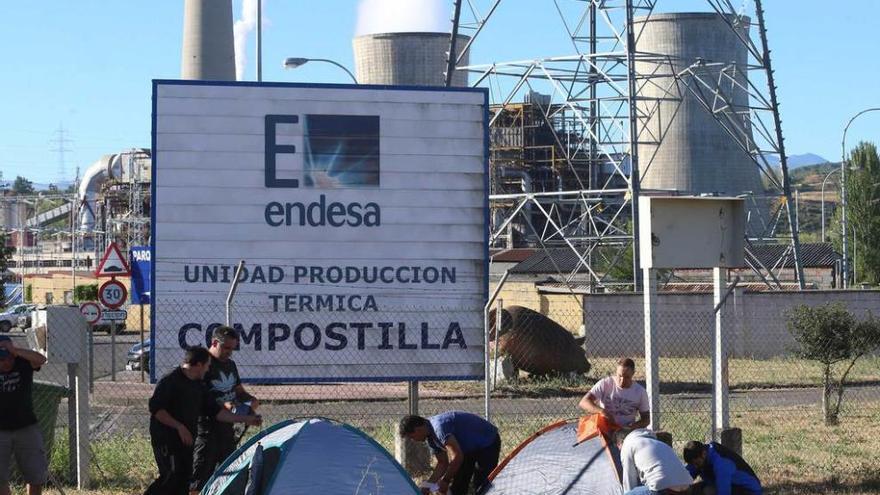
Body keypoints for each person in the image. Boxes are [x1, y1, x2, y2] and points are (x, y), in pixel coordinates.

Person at [145, 346, 261, 495]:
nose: (207, 370)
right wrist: (179, 427)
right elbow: (157, 410)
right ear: (198, 365)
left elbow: (217, 412)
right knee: (172, 476)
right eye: (206, 366)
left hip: (186, 440)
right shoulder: (171, 380)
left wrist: (245, 419)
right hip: (167, 439)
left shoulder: (198, 385)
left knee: (184, 479)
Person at [191, 326, 259, 492]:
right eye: (226, 348)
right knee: (200, 474)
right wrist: (224, 406)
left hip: (227, 428)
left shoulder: (230, 365)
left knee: (230, 470)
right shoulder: (203, 364)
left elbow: (239, 392)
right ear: (214, 342)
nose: (230, 352)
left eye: (233, 348)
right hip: (207, 428)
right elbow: (199, 397)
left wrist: (251, 401)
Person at [399, 412, 501, 495]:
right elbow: (442, 463)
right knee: (458, 484)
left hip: (487, 441)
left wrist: (445, 480)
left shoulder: (439, 429)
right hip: (468, 448)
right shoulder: (430, 438)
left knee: (482, 484)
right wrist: (428, 485)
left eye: (412, 437)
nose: (414, 440)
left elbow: (457, 456)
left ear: (418, 429)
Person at [0, 335, 48, 495]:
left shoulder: (23, 362)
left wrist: (15, 350)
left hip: (26, 427)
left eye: (8, 358)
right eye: (1, 359)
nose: (5, 363)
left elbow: (41, 359)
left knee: (35, 476)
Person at [615, 428, 693, 495]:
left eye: (618, 448)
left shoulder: (628, 445)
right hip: (687, 487)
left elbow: (629, 481)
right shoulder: (660, 443)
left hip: (663, 489)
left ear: (621, 443)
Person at [579, 357, 650, 429]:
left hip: (627, 431)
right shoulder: (605, 384)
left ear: (633, 374)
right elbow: (584, 402)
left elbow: (646, 419)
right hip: (605, 428)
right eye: (620, 376)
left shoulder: (640, 392)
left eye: (627, 377)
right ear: (616, 372)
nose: (622, 381)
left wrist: (631, 427)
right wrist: (603, 412)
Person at [683, 441, 762, 495]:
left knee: (707, 491)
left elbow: (724, 492)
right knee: (691, 490)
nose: (695, 467)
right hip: (729, 486)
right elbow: (684, 479)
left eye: (697, 463)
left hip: (748, 491)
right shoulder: (700, 456)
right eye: (693, 464)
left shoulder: (721, 464)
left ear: (703, 454)